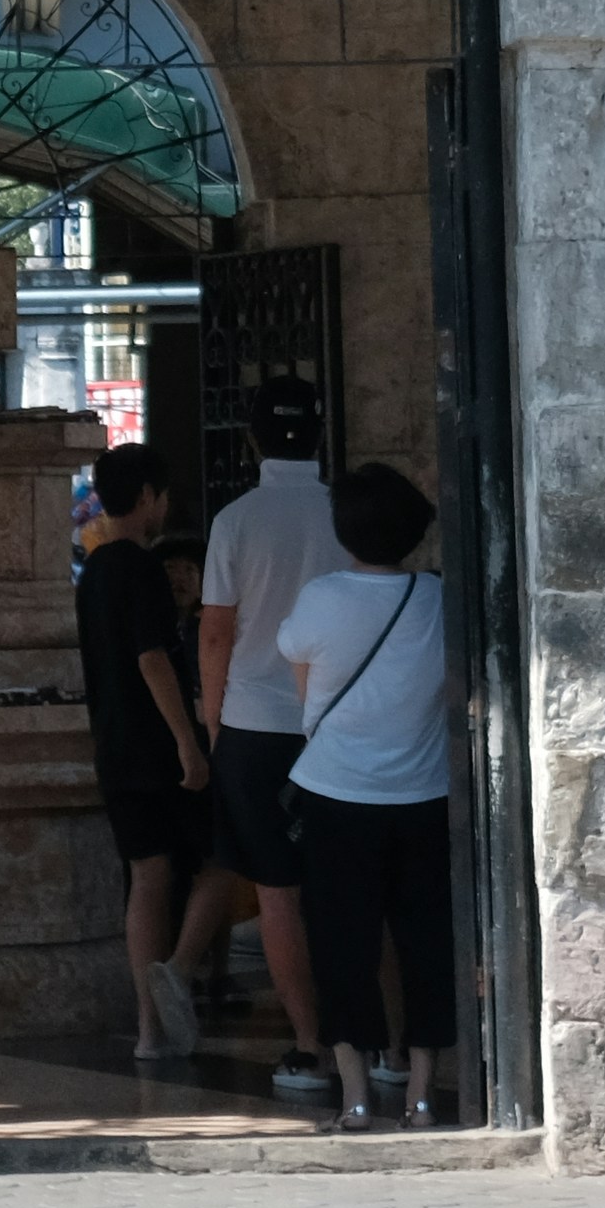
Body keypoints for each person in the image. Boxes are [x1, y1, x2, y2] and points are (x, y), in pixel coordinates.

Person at [273, 459, 463, 1130]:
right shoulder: (438, 599)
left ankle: (354, 1092)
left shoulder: (323, 599)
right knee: (425, 943)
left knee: (342, 945)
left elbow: (303, 686)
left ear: (345, 530)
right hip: (423, 794)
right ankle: (419, 1090)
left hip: (335, 795)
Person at [191, 378, 342, 1092]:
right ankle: (378, 1042)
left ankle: (310, 1046)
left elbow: (216, 629)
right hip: (340, 724)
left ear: (252, 440)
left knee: (278, 892)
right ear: (319, 434)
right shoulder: (347, 513)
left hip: (255, 723)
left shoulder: (237, 520)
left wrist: (212, 718)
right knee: (355, 885)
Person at [73, 443, 215, 1058]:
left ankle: (150, 1030)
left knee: (146, 877)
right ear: (150, 496)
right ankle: (175, 977)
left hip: (114, 743)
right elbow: (153, 659)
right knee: (216, 859)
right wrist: (189, 742)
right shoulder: (140, 567)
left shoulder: (97, 569)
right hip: (153, 746)